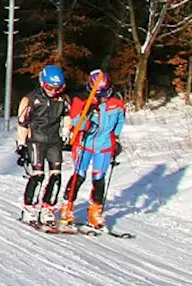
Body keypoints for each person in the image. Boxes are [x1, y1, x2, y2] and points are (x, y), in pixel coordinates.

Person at [61, 69, 126, 229]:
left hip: (103, 146)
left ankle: (95, 211)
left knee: (99, 178)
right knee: (79, 175)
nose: (102, 98)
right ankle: (67, 208)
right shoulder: (81, 100)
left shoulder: (116, 103)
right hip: (85, 144)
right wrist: (87, 117)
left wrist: (116, 140)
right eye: (98, 95)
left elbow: (119, 121)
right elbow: (76, 123)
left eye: (105, 94)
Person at [16, 65, 69, 225]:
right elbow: (22, 123)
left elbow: (67, 116)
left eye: (57, 88)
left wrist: (67, 131)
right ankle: (29, 207)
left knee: (56, 175)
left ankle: (48, 207)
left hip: (54, 141)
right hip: (36, 141)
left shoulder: (63, 99)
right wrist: (21, 144)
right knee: (38, 175)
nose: (53, 91)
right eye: (49, 87)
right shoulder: (31, 99)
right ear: (42, 83)